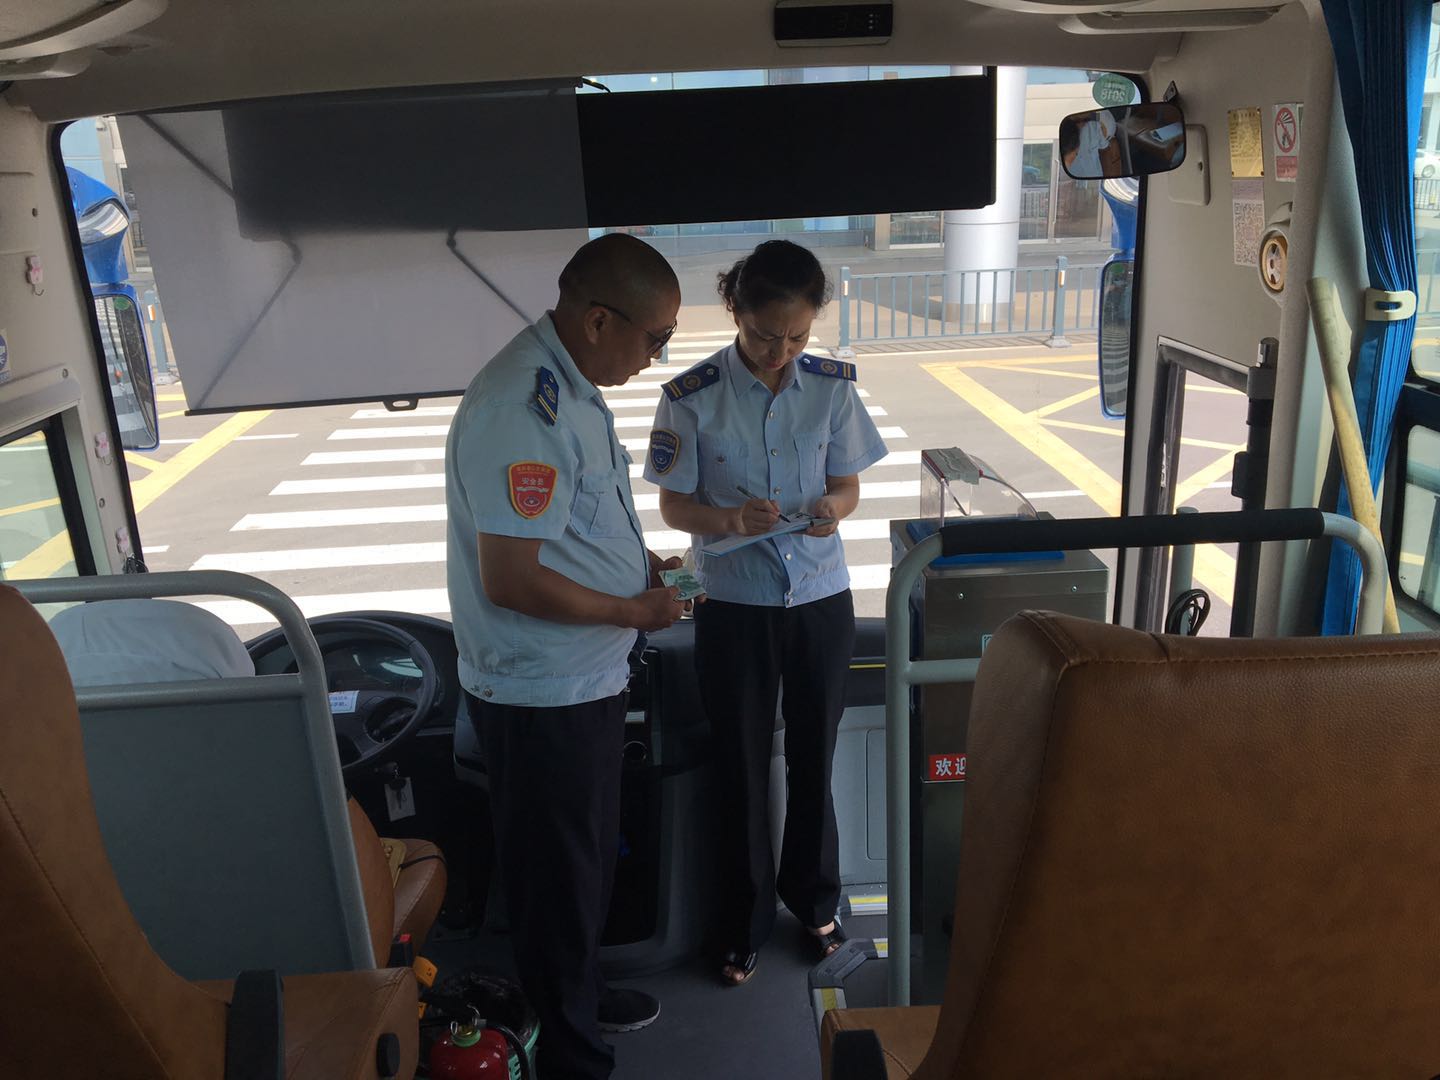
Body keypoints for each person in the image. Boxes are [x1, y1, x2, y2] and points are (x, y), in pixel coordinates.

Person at [444, 233, 687, 1080]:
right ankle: (572, 1055)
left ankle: (578, 997)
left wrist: (641, 567)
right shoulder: (524, 406)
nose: (658, 356)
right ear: (597, 320)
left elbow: (580, 522)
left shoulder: (573, 387)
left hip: (583, 678)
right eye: (656, 338)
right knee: (557, 882)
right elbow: (513, 578)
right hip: (542, 693)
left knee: (583, 868)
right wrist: (633, 608)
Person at [642, 240, 888, 986]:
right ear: (734, 312)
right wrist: (727, 520)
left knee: (815, 757)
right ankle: (741, 922)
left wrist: (833, 510)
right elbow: (673, 505)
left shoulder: (831, 388)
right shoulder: (692, 396)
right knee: (741, 768)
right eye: (763, 336)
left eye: (797, 338)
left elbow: (848, 486)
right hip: (734, 602)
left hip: (819, 596)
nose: (780, 352)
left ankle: (815, 904)